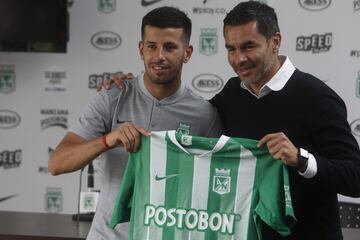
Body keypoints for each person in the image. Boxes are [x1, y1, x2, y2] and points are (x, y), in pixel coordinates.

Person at [106, 1, 360, 239]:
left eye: (249, 46)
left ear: (275, 42)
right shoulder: (232, 93)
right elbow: (190, 117)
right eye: (231, 49)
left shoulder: (317, 97)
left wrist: (300, 158)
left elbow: (355, 177)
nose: (239, 59)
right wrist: (135, 86)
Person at [48, 6, 222, 240]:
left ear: (187, 52)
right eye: (152, 46)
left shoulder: (204, 114)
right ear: (141, 49)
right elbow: (57, 163)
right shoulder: (111, 96)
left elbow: (218, 189)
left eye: (170, 47)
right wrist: (109, 139)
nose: (159, 55)